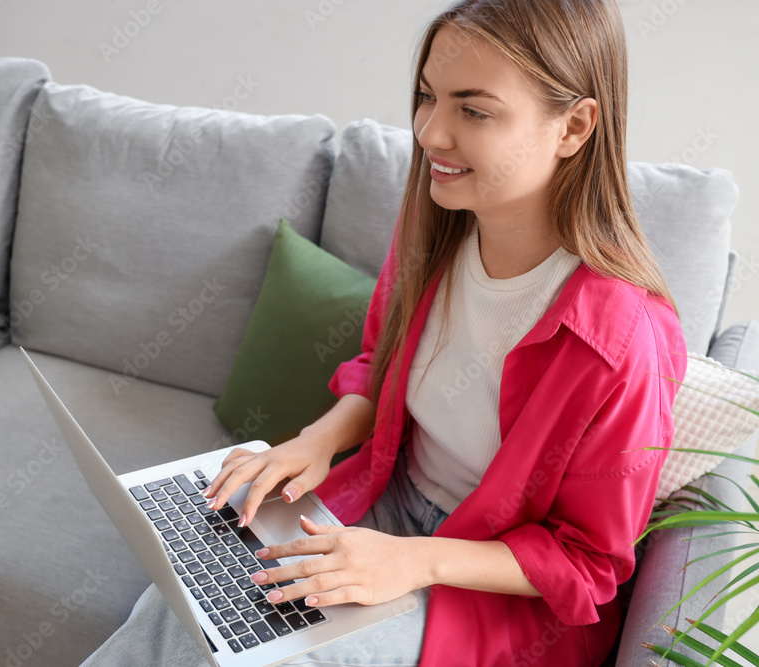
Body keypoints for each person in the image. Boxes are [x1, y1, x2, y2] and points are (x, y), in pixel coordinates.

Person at [87, 0, 687, 664]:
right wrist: (316, 440)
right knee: (184, 594)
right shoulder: (434, 230)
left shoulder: (622, 341)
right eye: (427, 97)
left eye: (473, 110)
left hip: (487, 587)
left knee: (291, 655)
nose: (431, 133)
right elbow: (383, 363)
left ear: (574, 125)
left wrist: (411, 561)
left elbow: (588, 564)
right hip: (386, 504)